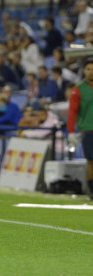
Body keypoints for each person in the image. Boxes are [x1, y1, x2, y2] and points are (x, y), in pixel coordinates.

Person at [67, 58, 93, 200]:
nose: (91, 72)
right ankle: (91, 189)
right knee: (91, 161)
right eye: (88, 69)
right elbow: (72, 112)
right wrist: (71, 132)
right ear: (84, 71)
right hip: (89, 130)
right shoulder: (78, 90)